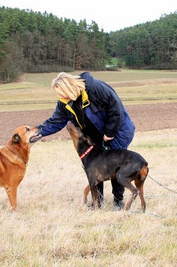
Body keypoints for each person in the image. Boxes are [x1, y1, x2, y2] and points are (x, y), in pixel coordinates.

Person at [37, 72, 135, 209]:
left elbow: (116, 108)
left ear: (70, 89)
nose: (60, 97)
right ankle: (98, 202)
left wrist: (110, 132)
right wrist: (38, 132)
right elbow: (56, 121)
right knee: (96, 166)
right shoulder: (65, 102)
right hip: (96, 135)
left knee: (116, 165)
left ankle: (118, 201)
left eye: (62, 93)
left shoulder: (96, 89)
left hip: (118, 131)